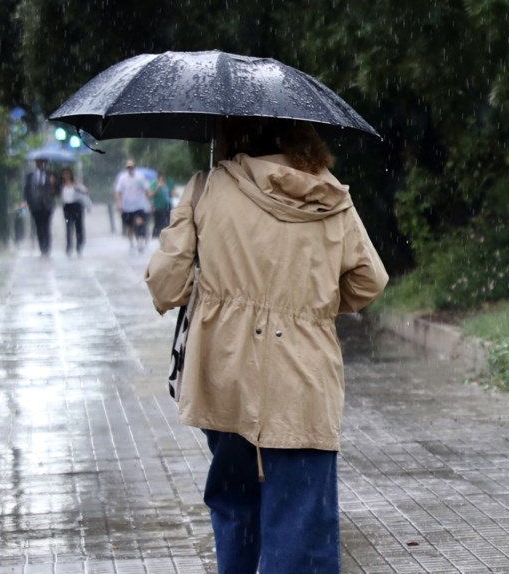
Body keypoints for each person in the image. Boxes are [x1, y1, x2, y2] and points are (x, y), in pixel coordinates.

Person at [144, 117, 388, 574]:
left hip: (225, 375)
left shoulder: (208, 188)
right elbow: (368, 281)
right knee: (302, 518)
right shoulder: (330, 196)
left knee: (236, 503)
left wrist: (211, 276)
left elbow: (166, 285)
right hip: (303, 379)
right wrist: (308, 306)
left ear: (233, 132)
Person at [22, 157, 58, 257]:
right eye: (38, 162)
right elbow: (27, 190)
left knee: (46, 226)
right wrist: (28, 202)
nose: (40, 164)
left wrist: (53, 183)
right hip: (35, 206)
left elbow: (56, 189)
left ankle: (47, 248)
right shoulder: (30, 175)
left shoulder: (50, 174)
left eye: (42, 162)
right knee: (39, 227)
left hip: (47, 205)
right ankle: (42, 248)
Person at [114, 159, 151, 252]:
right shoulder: (122, 178)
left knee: (139, 223)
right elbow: (118, 191)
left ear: (134, 167)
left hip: (139, 205)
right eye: (128, 167)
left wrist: (149, 203)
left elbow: (146, 190)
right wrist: (118, 203)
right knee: (129, 226)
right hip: (127, 207)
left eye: (131, 167)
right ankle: (131, 242)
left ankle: (140, 241)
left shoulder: (140, 177)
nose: (130, 169)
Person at [60, 167, 89, 257]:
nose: (66, 175)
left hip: (77, 206)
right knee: (68, 228)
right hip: (67, 207)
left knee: (79, 227)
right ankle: (69, 248)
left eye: (67, 173)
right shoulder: (61, 185)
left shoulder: (76, 184)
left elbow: (86, 191)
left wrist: (79, 186)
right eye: (64, 174)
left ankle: (79, 247)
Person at [149, 171, 173, 238]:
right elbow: (150, 195)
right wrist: (158, 188)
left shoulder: (168, 183)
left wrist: (170, 191)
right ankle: (155, 237)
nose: (162, 179)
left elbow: (171, 194)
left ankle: (165, 237)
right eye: (161, 177)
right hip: (158, 207)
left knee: (167, 224)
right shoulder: (154, 183)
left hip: (168, 206)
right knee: (158, 224)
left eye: (164, 177)